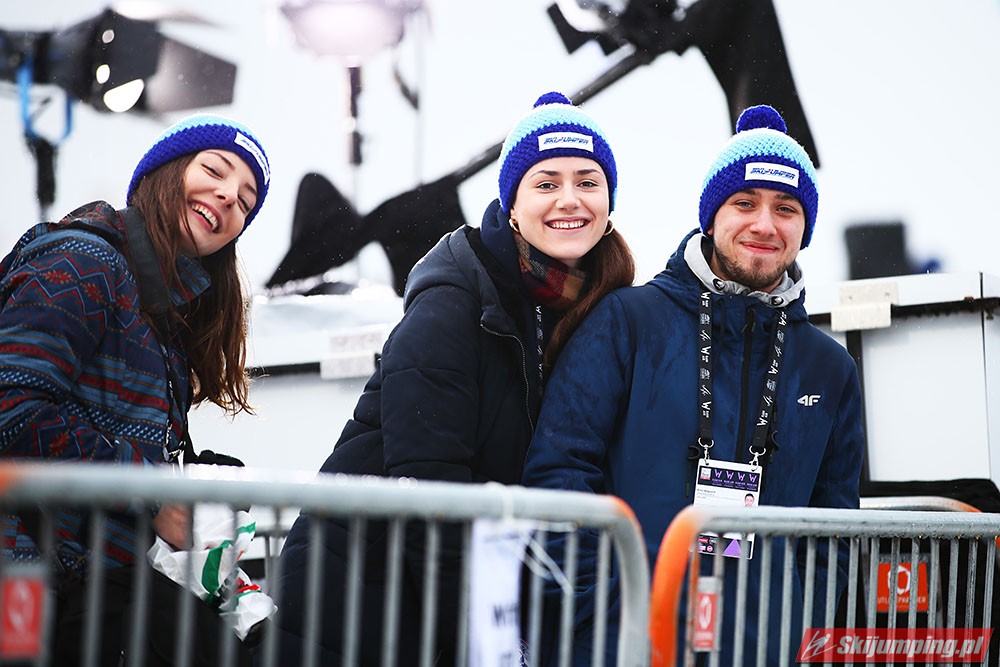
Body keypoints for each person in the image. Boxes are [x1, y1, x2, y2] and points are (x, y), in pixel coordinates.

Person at [270, 91, 636, 666]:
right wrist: (483, 642)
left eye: (587, 182)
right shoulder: (456, 299)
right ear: (512, 206)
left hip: (439, 601)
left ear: (609, 202)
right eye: (546, 183)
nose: (569, 199)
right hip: (362, 598)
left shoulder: (590, 310)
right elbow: (432, 497)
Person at [521, 104, 864, 665]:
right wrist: (599, 611)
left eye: (786, 209)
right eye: (744, 203)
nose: (764, 225)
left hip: (760, 651)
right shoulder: (628, 321)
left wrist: (797, 619)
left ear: (804, 229)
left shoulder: (830, 368)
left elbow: (834, 526)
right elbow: (560, 472)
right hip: (627, 645)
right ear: (711, 216)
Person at [0, 114, 270, 666]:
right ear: (164, 173)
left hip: (84, 597)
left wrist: (185, 478)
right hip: (24, 587)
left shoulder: (159, 308)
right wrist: (151, 496)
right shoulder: (83, 263)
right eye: (214, 170)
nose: (228, 197)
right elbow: (11, 405)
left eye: (245, 202)